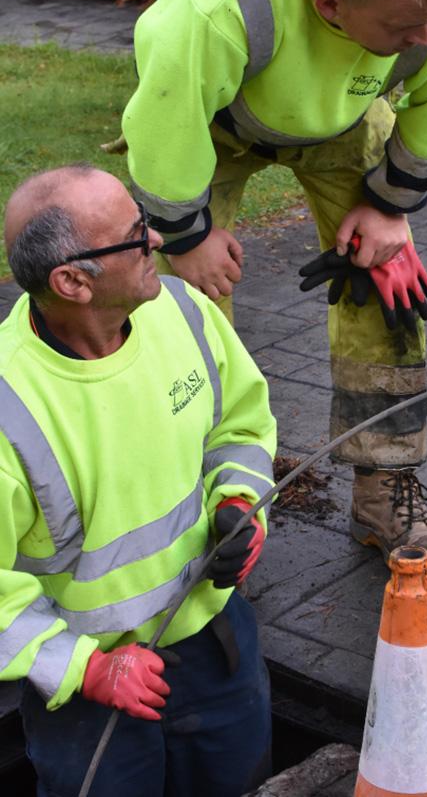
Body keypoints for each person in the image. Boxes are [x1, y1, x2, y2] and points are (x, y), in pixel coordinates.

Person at [119, 0, 427, 580]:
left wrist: (390, 207)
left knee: (386, 285)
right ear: (330, 5)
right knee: (174, 305)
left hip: (342, 121)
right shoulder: (216, 5)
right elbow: (163, 123)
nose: (425, 37)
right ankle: (201, 492)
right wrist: (185, 238)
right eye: (403, 28)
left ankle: (384, 486)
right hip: (211, 123)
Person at [0, 165, 276, 797]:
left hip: (214, 640)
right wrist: (84, 670)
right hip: (86, 688)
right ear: (72, 281)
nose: (156, 242)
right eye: (134, 236)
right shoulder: (9, 407)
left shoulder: (183, 311)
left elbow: (239, 425)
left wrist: (238, 501)